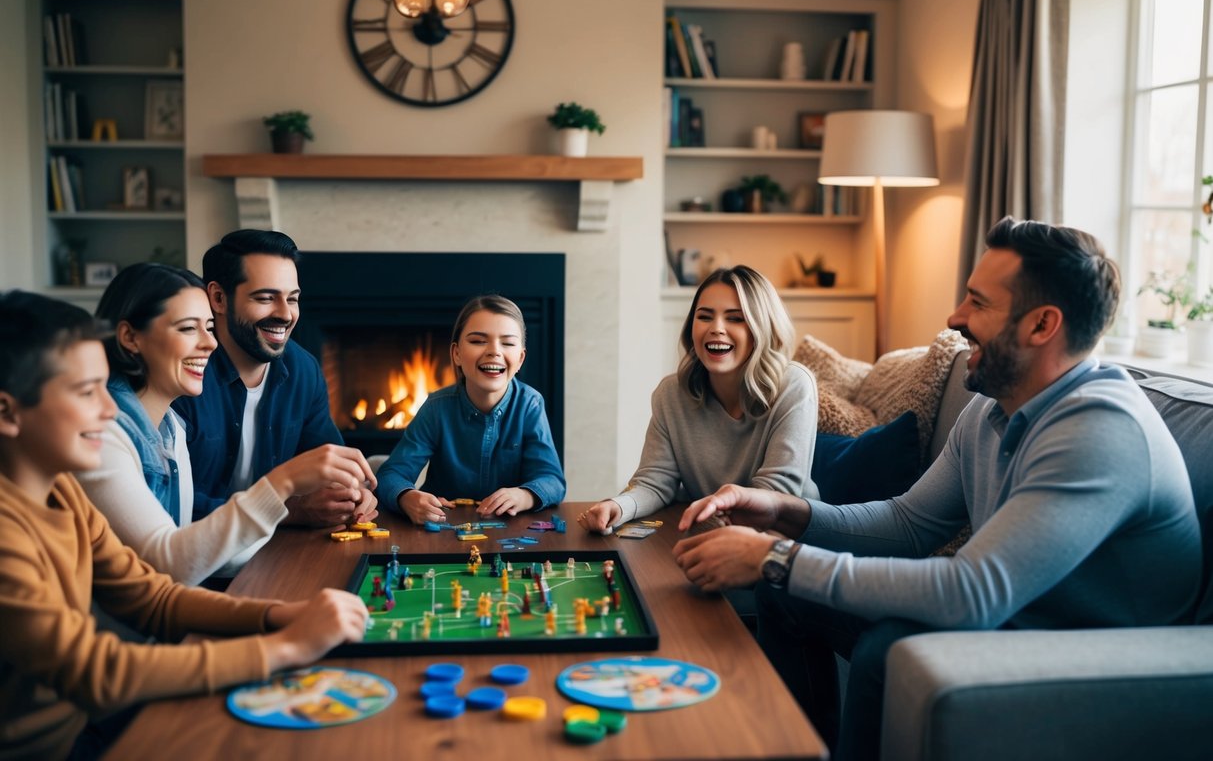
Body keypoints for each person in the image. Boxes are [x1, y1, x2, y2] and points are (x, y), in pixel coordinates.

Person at [672, 218, 1203, 761]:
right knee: (786, 595)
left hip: (1107, 659)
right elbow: (908, 524)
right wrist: (784, 512)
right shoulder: (992, 405)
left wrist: (776, 557)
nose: (954, 318)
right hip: (1019, 617)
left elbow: (973, 592)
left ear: (1042, 325)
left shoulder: (1100, 431)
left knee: (883, 643)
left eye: (977, 302)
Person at [0, 290, 368, 760]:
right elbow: (96, 673)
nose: (110, 409)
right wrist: (284, 648)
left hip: (86, 726)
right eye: (85, 392)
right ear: (8, 412)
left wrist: (277, 615)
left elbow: (153, 596)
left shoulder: (63, 491)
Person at [80, 263, 364, 586]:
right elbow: (168, 565)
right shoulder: (100, 436)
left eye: (210, 328)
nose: (210, 344)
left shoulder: (172, 429)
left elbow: (198, 551)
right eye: (189, 329)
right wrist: (282, 486)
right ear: (130, 337)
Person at [578, 265, 818, 534]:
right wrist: (619, 506)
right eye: (704, 316)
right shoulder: (670, 395)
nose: (716, 329)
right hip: (712, 528)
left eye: (735, 318)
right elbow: (655, 481)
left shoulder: (794, 385)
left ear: (762, 328)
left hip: (787, 537)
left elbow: (775, 493)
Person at [172, 229, 377, 529]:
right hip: (201, 564)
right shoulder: (183, 374)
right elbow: (173, 504)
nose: (285, 314)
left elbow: (332, 466)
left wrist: (352, 494)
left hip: (279, 550)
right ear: (218, 298)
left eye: (292, 299)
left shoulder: (303, 369)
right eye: (266, 298)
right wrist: (287, 510)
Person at [377, 294, 566, 521]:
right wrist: (407, 497)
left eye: (507, 343)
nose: (494, 351)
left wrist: (523, 495)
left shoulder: (530, 405)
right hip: (441, 528)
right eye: (478, 341)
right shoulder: (436, 408)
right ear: (456, 353)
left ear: (520, 359)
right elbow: (391, 474)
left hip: (510, 534)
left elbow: (553, 481)